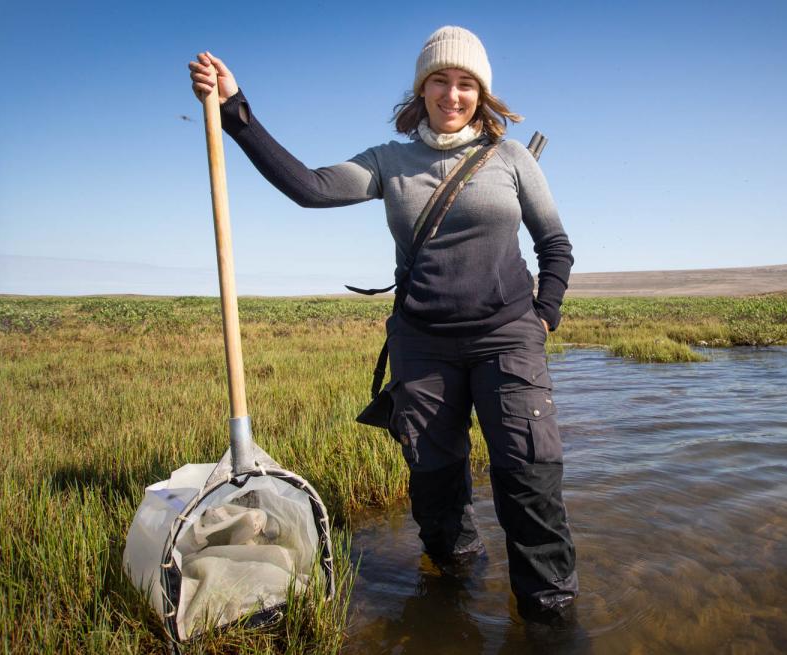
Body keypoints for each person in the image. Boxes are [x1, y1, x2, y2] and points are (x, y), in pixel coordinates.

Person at [188, 25, 577, 622]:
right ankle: (453, 597)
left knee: (529, 478)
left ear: (483, 94)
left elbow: (555, 245)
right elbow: (310, 189)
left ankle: (549, 619)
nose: (453, 94)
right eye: (440, 81)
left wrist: (542, 317)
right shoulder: (388, 163)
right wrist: (237, 111)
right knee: (434, 485)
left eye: (466, 83)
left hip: (508, 339)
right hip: (423, 347)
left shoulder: (512, 158)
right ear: (420, 91)